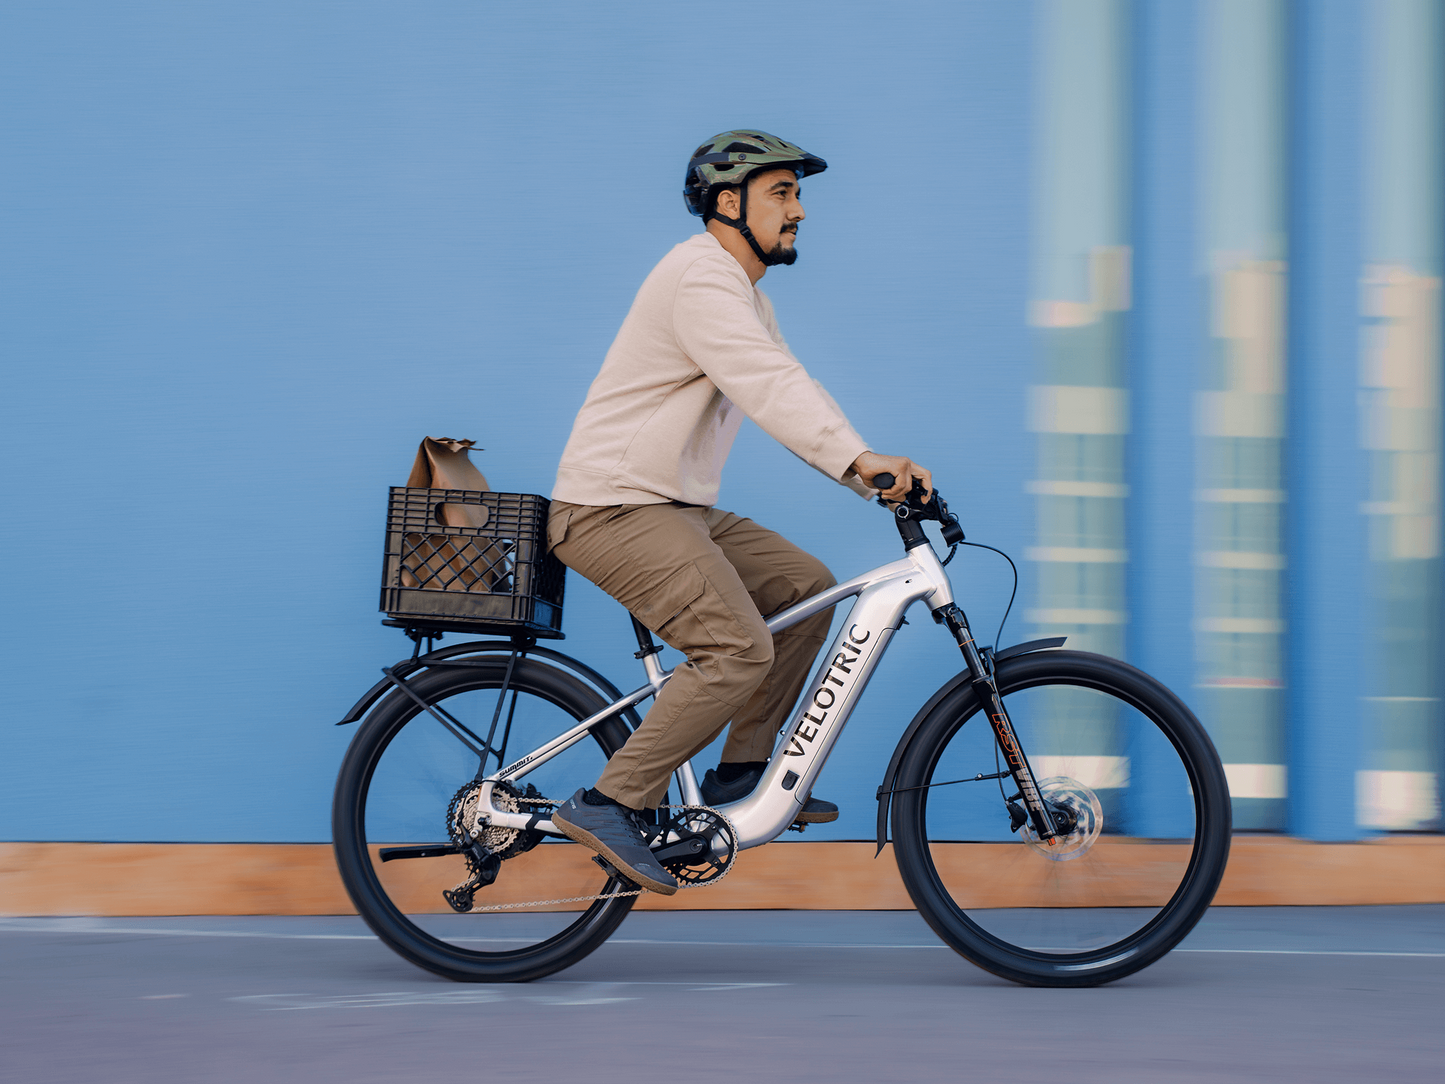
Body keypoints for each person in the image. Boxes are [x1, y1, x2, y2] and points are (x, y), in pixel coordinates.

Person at [547, 129, 932, 894]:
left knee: (805, 587)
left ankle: (737, 774)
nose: (798, 212)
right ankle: (608, 801)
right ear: (729, 203)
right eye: (781, 194)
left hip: (668, 505)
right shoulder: (700, 278)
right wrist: (860, 460)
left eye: (797, 196)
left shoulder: (741, 293)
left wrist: (869, 478)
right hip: (611, 507)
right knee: (736, 650)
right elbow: (766, 386)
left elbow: (784, 382)